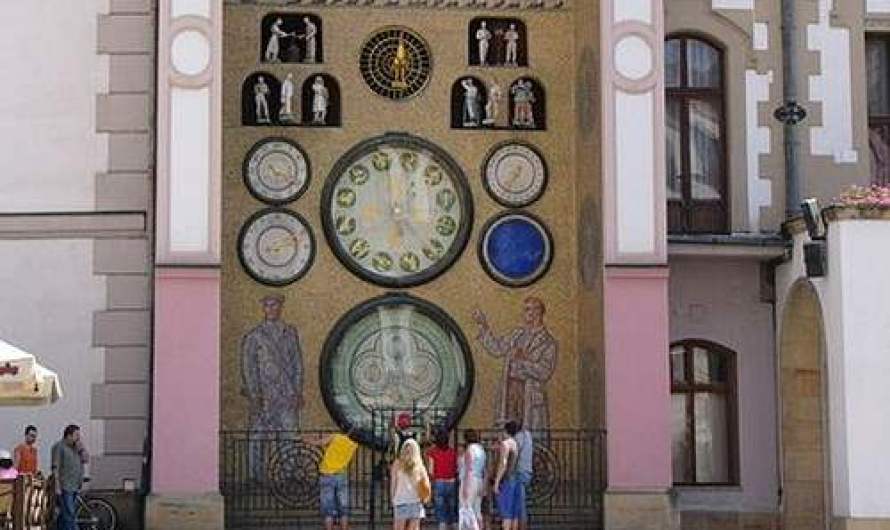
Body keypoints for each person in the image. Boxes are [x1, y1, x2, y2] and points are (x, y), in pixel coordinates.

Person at [241, 294, 304, 481]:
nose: (272, 309)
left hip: (286, 394)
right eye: (268, 305)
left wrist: (297, 391)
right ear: (264, 308)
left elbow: (297, 364)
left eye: (275, 305)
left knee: (288, 437)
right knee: (257, 439)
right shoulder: (254, 336)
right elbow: (248, 367)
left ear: (280, 307)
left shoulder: (289, 332)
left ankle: (287, 477)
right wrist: (254, 394)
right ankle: (255, 478)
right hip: (263, 396)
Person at [473, 297, 557, 432]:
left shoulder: (548, 342)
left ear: (539, 312)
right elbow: (497, 348)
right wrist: (483, 326)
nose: (528, 313)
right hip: (511, 391)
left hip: (529, 394)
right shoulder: (517, 334)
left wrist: (523, 361)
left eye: (531, 309)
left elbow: (544, 371)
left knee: (531, 437)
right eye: (526, 309)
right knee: (509, 432)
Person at [306, 429, 359, 530]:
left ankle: (329, 527)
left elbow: (320, 443)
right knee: (343, 504)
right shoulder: (354, 444)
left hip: (326, 474)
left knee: (328, 504)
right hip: (341, 474)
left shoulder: (336, 437)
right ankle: (344, 527)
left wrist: (307, 440)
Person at [51, 425, 89, 530]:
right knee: (70, 513)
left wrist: (82, 450)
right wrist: (57, 486)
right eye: (76, 435)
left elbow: (86, 460)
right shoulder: (59, 447)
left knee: (64, 515)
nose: (78, 437)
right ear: (69, 435)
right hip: (65, 486)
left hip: (76, 485)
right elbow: (55, 467)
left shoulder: (77, 448)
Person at [391, 438, 431, 530]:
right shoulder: (420, 466)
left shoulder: (397, 464)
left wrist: (393, 498)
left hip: (401, 500)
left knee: (399, 528)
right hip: (415, 501)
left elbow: (393, 483)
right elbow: (426, 483)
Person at [426, 430, 458, 530]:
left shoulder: (432, 452)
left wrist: (430, 481)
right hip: (451, 481)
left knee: (440, 506)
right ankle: (454, 523)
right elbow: (456, 467)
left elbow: (431, 470)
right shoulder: (453, 452)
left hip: (439, 481)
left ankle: (442, 524)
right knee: (452, 504)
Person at [493, 422, 522, 530]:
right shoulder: (515, 443)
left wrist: (496, 482)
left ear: (505, 431)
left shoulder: (505, 444)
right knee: (514, 514)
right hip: (516, 479)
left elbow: (503, 463)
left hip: (507, 481)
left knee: (506, 513)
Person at [458, 429, 486, 530]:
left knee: (466, 509)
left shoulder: (469, 450)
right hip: (479, 480)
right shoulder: (481, 450)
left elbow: (468, 469)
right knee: (477, 510)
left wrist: (465, 486)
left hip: (469, 480)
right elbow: (484, 469)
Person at [512, 422, 534, 530]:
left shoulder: (517, 438)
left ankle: (522, 526)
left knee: (520, 504)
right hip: (528, 471)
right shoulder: (528, 435)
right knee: (522, 501)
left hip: (520, 472)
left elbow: (515, 454)